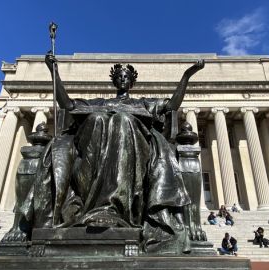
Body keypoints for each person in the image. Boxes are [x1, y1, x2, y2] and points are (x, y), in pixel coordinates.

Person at [30, 53, 205, 254]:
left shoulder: (143, 104)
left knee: (123, 120)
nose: (123, 79)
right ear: (114, 81)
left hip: (135, 149)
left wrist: (186, 76)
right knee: (96, 118)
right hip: (94, 154)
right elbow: (68, 105)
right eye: (119, 76)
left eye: (126, 77)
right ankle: (98, 208)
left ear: (131, 82)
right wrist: (54, 73)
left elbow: (171, 106)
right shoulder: (100, 103)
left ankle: (113, 207)